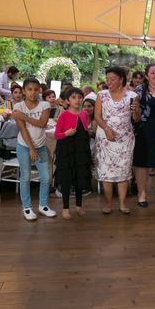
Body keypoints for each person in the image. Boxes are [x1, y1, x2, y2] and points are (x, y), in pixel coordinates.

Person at [94, 66, 138, 214]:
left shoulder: (132, 95)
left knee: (123, 171)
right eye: (107, 79)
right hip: (105, 138)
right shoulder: (102, 95)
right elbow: (97, 116)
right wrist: (106, 129)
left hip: (124, 138)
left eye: (112, 79)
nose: (109, 82)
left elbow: (136, 119)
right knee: (106, 171)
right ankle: (108, 204)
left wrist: (137, 110)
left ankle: (122, 203)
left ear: (121, 79)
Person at [12, 78, 55, 221]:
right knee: (26, 176)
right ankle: (27, 207)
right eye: (29, 89)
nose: (33, 92)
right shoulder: (18, 106)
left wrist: (23, 117)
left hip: (41, 147)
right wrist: (31, 149)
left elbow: (42, 124)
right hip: (24, 146)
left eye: (36, 89)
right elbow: (22, 129)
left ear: (40, 91)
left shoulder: (45, 104)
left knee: (45, 177)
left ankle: (43, 205)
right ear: (24, 90)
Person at [133, 64, 155, 208]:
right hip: (144, 129)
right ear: (147, 76)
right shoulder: (140, 90)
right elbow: (135, 116)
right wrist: (135, 111)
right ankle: (141, 194)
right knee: (142, 163)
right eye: (152, 72)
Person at [53, 87, 91, 220]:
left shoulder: (84, 114)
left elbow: (85, 132)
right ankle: (65, 208)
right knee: (66, 179)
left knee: (79, 177)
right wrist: (66, 133)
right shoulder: (63, 114)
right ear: (67, 100)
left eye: (79, 97)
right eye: (74, 97)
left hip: (80, 150)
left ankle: (79, 206)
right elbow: (56, 135)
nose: (77, 100)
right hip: (66, 150)